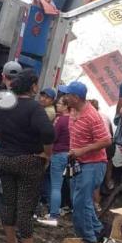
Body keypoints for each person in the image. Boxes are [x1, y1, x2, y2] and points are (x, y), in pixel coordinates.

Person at [0, 69, 55, 243]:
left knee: (8, 201)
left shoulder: (1, 104)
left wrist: (4, 146)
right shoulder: (35, 108)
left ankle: (11, 242)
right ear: (33, 86)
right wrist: (47, 153)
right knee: (25, 205)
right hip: (28, 160)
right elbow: (48, 133)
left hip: (4, 159)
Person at [58, 81, 111, 243]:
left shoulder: (92, 116)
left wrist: (82, 150)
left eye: (67, 94)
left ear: (75, 97)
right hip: (78, 163)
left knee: (81, 202)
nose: (64, 97)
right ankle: (99, 231)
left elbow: (106, 140)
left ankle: (89, 238)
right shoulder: (73, 110)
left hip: (93, 164)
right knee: (82, 201)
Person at [38, 96, 71, 228]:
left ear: (66, 106)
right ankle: (55, 210)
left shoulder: (61, 120)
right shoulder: (74, 119)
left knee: (56, 185)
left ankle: (53, 215)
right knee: (57, 183)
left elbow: (52, 136)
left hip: (58, 153)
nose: (57, 105)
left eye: (60, 103)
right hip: (68, 153)